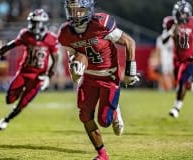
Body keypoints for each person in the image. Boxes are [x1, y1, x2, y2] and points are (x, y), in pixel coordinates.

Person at [58, 0, 139, 159]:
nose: (75, 14)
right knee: (84, 116)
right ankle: (102, 155)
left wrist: (130, 72)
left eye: (79, 10)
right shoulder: (65, 32)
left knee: (104, 121)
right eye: (71, 10)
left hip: (109, 76)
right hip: (88, 77)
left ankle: (115, 112)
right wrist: (74, 69)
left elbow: (129, 42)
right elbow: (73, 54)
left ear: (88, 10)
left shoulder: (101, 24)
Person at [0, 9, 58, 131]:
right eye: (32, 22)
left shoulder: (50, 39)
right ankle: (12, 106)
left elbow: (55, 60)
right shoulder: (25, 34)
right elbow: (9, 46)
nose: (33, 25)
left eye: (36, 22)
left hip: (38, 77)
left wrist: (48, 76)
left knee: (22, 103)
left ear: (43, 23)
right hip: (24, 73)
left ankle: (6, 119)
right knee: (9, 99)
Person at [161, 0, 193, 118]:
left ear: (188, 14)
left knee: (181, 81)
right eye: (178, 13)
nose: (180, 16)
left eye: (182, 13)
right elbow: (163, 40)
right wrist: (171, 31)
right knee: (180, 82)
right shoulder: (170, 23)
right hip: (177, 58)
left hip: (191, 57)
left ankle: (176, 108)